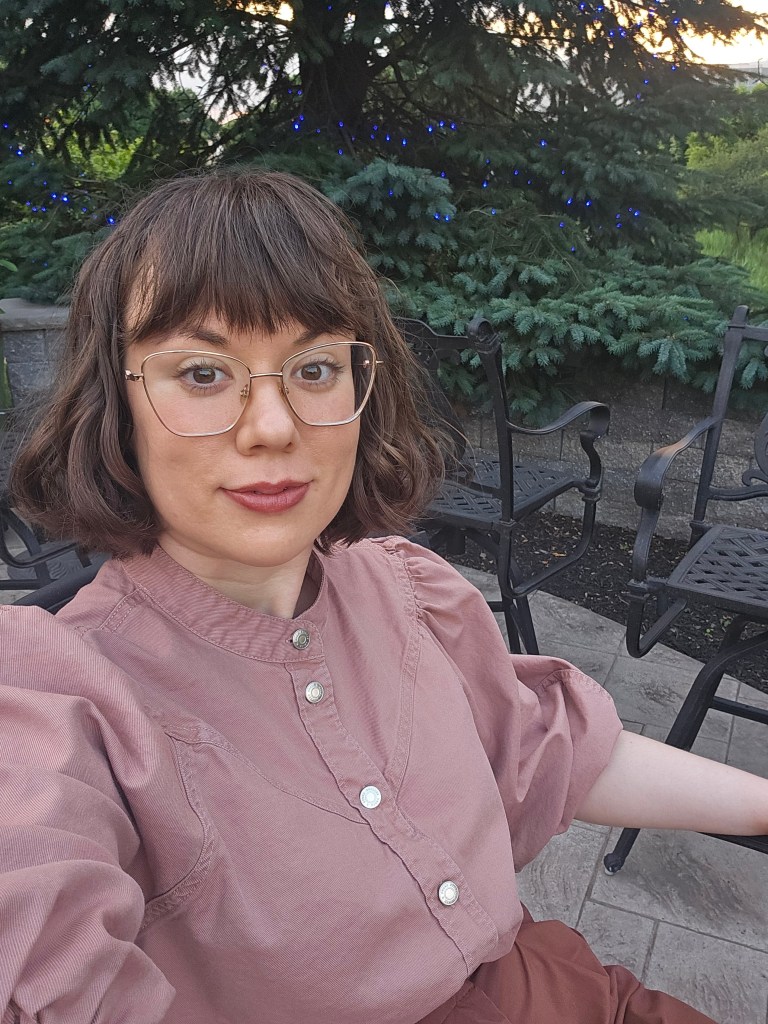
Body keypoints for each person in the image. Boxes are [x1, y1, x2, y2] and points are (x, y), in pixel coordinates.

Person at [1, 169, 766, 1024]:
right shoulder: (59, 696)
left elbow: (551, 749)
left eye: (315, 366)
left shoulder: (406, 587)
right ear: (117, 406)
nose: (274, 426)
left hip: (560, 989)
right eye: (204, 374)